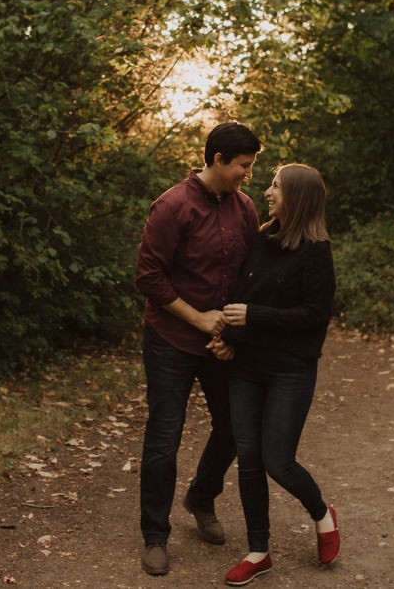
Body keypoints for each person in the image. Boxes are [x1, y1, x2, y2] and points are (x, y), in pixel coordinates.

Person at [134, 121, 263, 577]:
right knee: (164, 438)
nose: (249, 174)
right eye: (244, 166)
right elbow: (148, 278)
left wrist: (230, 331)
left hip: (221, 342)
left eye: (252, 166)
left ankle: (201, 496)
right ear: (217, 160)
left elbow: (251, 272)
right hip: (171, 338)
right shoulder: (172, 207)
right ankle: (155, 536)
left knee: (235, 427)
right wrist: (197, 318)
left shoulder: (245, 208)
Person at [208, 163, 340, 586]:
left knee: (277, 461)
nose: (266, 191)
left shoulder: (316, 251)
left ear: (298, 197)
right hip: (246, 368)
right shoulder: (261, 238)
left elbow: (314, 316)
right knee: (248, 459)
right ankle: (258, 550)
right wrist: (229, 336)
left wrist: (253, 317)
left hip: (290, 370)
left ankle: (321, 512)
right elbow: (240, 298)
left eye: (276, 187)